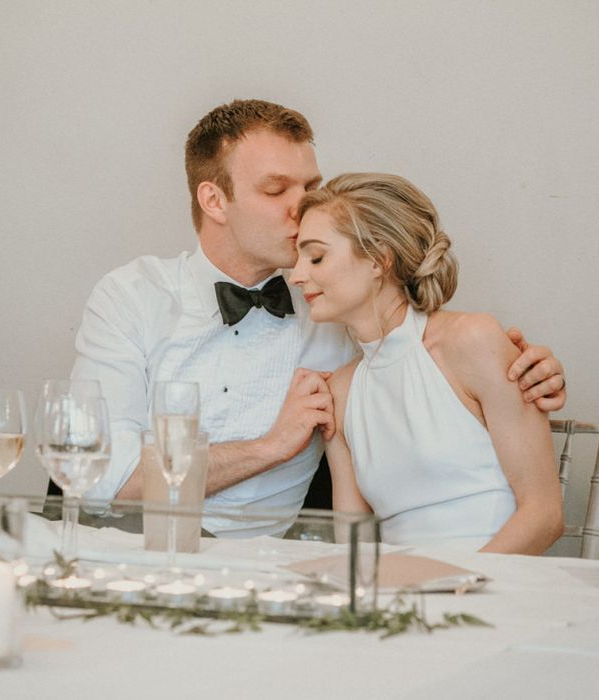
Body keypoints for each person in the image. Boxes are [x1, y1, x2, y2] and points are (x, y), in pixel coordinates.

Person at [71, 99, 566, 537]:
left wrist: (530, 370)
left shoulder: (333, 300)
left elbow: (418, 342)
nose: (302, 206)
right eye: (275, 190)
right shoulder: (131, 298)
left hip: (271, 569)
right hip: (129, 548)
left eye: (310, 186)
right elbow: (100, 481)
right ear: (214, 200)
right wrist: (268, 448)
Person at [290, 173, 564, 553]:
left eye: (316, 257)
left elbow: (545, 515)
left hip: (495, 589)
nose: (296, 275)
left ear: (378, 260)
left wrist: (452, 594)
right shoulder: (341, 389)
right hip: (399, 599)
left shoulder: (473, 339)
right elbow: (354, 547)